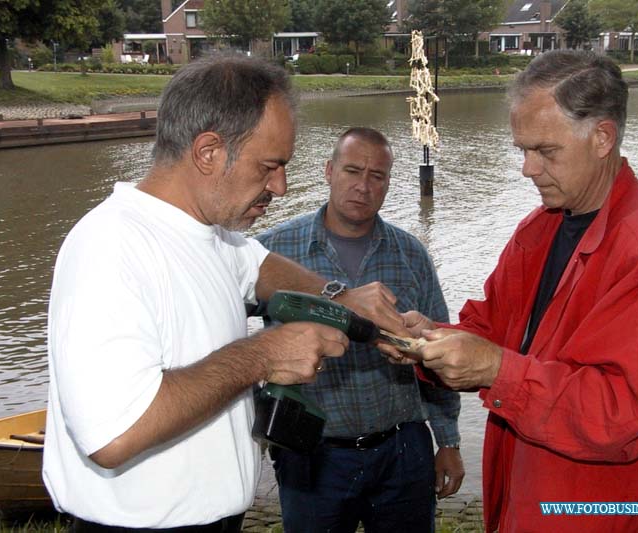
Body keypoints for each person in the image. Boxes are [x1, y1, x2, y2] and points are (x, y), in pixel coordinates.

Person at [42, 56, 408, 531]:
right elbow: (115, 434)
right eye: (269, 166)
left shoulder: (208, 231)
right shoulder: (109, 246)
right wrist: (263, 355)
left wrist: (341, 297)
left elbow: (258, 265)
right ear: (209, 151)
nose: (279, 186)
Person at [390, 50, 638, 532]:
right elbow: (492, 330)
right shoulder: (540, 229)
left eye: (545, 151)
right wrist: (427, 341)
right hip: (521, 503)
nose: (527, 169)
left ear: (602, 138)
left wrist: (497, 370)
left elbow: (628, 416)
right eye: (521, 150)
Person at [256, 127, 464, 532]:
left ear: (388, 183)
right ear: (329, 171)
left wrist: (449, 442)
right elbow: (224, 335)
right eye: (352, 171)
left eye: (377, 176)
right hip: (311, 455)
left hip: (402, 451)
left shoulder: (411, 255)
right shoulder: (271, 254)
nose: (363, 186)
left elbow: (440, 352)